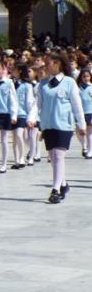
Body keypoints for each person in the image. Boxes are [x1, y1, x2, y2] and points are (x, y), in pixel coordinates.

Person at [37, 53, 86, 204]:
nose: (45, 66)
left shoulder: (69, 82)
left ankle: (55, 190)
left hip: (64, 125)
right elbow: (37, 104)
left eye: (48, 63)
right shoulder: (43, 84)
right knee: (53, 157)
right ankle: (63, 184)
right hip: (48, 126)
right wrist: (33, 119)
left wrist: (81, 124)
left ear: (57, 64)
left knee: (58, 156)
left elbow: (77, 105)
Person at [12, 64, 38, 169]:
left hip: (22, 114)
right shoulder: (11, 83)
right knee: (15, 138)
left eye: (14, 69)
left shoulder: (27, 85)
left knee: (19, 135)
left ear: (20, 71)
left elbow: (29, 101)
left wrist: (31, 117)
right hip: (12, 114)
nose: (12, 71)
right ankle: (16, 160)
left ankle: (22, 158)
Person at [78, 69, 92, 159]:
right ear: (81, 77)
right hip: (81, 113)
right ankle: (84, 147)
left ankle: (90, 151)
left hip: (90, 113)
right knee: (81, 132)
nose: (86, 78)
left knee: (90, 133)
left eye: (88, 76)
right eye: (84, 76)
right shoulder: (78, 88)